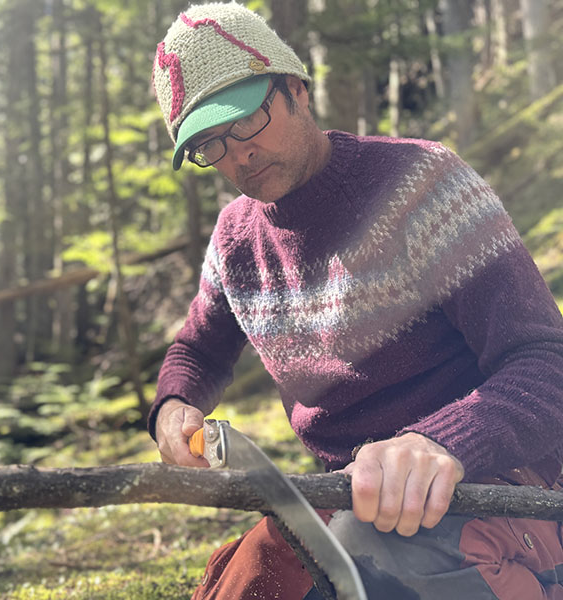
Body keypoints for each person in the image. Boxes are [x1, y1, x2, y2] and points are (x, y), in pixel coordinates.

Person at [149, 3, 563, 599]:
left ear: (296, 89)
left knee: (389, 556)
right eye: (209, 144)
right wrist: (174, 405)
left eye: (244, 121)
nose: (237, 154)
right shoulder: (235, 242)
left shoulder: (424, 186)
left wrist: (442, 442)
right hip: (350, 500)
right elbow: (198, 348)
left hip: (503, 483)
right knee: (247, 583)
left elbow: (547, 364)